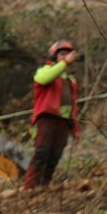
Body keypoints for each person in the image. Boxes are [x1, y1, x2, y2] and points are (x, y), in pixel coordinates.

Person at [22, 39, 81, 189]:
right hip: (47, 118)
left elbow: (73, 106)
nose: (65, 57)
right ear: (54, 56)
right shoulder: (45, 70)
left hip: (63, 122)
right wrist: (64, 63)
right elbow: (43, 79)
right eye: (62, 54)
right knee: (42, 152)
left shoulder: (71, 81)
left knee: (55, 155)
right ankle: (30, 187)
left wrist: (75, 128)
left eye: (68, 55)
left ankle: (44, 186)